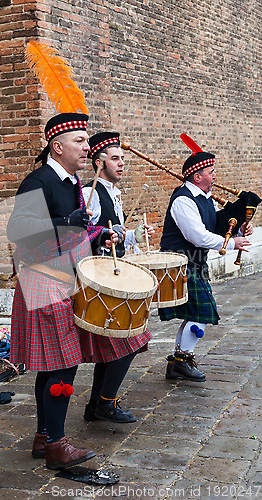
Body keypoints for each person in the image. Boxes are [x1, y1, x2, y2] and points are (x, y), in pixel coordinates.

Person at [6, 113, 117, 469]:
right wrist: (64, 223)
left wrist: (96, 234)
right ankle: (57, 445)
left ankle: (44, 437)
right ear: (58, 146)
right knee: (63, 365)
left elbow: (74, 228)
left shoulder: (71, 182)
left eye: (86, 141)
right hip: (43, 279)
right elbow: (18, 229)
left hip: (61, 278)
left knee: (55, 365)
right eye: (80, 141)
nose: (88, 147)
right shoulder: (38, 181)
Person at [158, 135, 253, 382]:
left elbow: (215, 227)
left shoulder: (204, 199)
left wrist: (240, 229)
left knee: (196, 314)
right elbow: (198, 236)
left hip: (194, 262)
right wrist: (231, 243)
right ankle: (181, 360)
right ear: (197, 176)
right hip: (180, 263)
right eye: (211, 172)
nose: (215, 176)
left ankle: (179, 360)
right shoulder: (183, 200)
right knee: (200, 314)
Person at [80, 131, 155, 424]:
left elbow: (116, 235)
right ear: (99, 165)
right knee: (129, 341)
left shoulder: (112, 193)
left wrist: (134, 234)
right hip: (100, 282)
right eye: (115, 159)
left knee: (113, 348)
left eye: (123, 158)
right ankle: (105, 404)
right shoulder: (91, 193)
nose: (122, 164)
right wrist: (102, 240)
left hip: (115, 276)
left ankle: (96, 406)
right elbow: (82, 237)